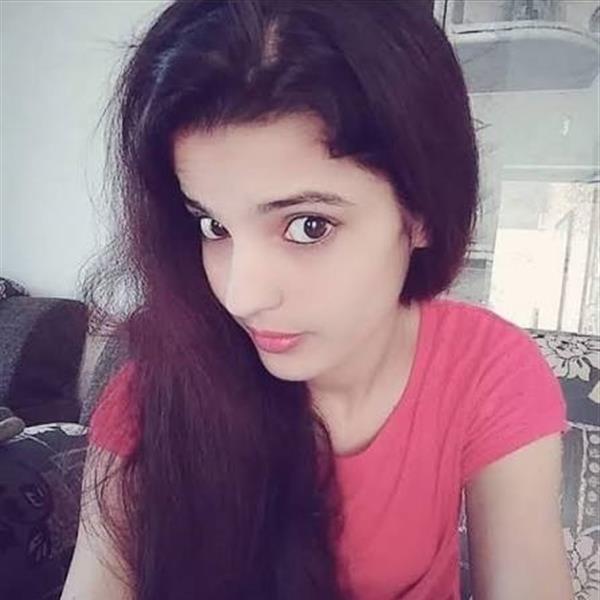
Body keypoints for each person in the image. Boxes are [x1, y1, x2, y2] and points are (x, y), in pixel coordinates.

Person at [61, 1, 573, 599]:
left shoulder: (485, 370)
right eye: (213, 226)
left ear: (421, 213)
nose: (242, 295)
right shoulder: (158, 395)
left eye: (308, 226)